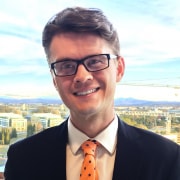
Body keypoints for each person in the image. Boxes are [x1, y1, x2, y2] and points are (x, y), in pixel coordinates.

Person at [4, 7, 180, 180]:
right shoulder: (23, 158)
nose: (82, 76)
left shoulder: (167, 159)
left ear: (119, 69)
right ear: (54, 79)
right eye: (66, 65)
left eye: (95, 61)